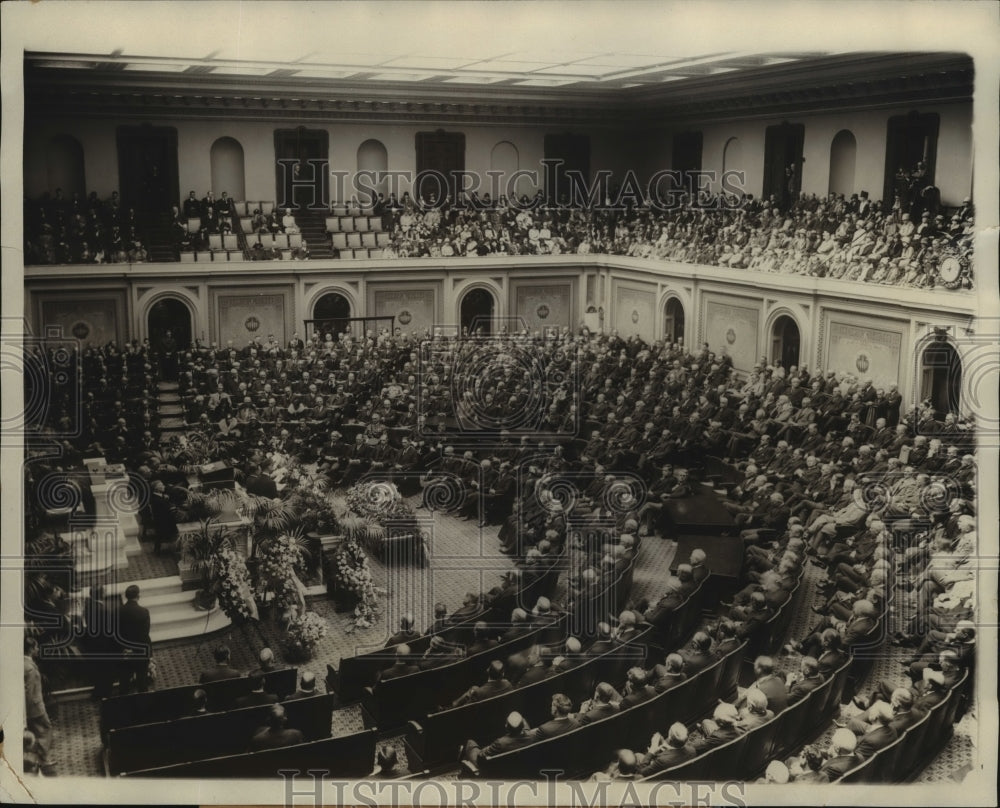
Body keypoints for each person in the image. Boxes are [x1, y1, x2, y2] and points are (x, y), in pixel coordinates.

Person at [24, 637, 56, 775]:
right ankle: (44, 758)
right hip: (36, 708)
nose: (37, 650)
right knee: (46, 729)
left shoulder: (24, 663)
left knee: (39, 732)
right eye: (36, 647)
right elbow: (28, 693)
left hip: (33, 708)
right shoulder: (30, 668)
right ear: (31, 649)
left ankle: (42, 758)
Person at [118, 584, 152, 694]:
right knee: (142, 681)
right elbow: (144, 634)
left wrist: (126, 648)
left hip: (124, 651)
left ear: (126, 596)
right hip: (140, 651)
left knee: (124, 682)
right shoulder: (144, 612)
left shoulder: (118, 611)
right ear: (138, 596)